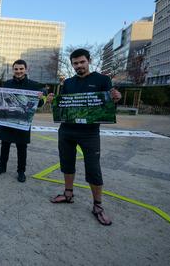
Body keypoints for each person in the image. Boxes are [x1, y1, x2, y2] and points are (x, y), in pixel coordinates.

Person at [46, 48, 121, 226]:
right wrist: (52, 102)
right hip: (67, 131)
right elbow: (62, 106)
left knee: (93, 168)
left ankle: (98, 206)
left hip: (89, 133)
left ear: (89, 61)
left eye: (82, 62)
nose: (79, 65)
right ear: (71, 64)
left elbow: (108, 105)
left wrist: (115, 99)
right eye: (75, 63)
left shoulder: (102, 80)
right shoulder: (68, 83)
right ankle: (68, 194)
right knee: (67, 163)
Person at [0, 60, 45, 182]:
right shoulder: (7, 83)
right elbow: (0, 100)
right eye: (16, 69)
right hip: (7, 120)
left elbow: (39, 104)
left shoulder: (33, 85)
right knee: (4, 145)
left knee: (22, 148)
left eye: (21, 69)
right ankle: (2, 166)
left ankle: (21, 171)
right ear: (13, 70)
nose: (18, 71)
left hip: (22, 122)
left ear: (26, 69)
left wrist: (40, 99)